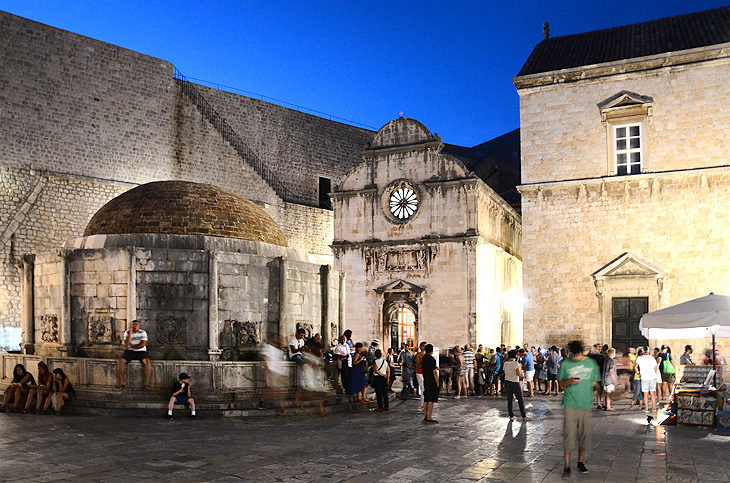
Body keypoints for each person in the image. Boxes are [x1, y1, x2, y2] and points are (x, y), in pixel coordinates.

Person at [559, 340, 600, 477]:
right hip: (570, 404)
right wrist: (569, 381)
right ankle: (566, 466)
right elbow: (560, 385)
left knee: (584, 436)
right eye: (572, 354)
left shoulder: (591, 363)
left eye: (576, 354)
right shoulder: (565, 364)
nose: (573, 357)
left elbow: (596, 382)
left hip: (585, 404)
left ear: (581, 353)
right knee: (569, 435)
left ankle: (580, 462)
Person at [117, 319, 152, 390]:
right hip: (130, 352)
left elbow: (142, 344)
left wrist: (131, 347)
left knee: (147, 362)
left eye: (136, 325)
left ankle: (147, 383)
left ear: (139, 326)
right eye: (133, 325)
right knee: (121, 361)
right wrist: (130, 333)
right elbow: (126, 344)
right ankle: (122, 382)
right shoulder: (127, 332)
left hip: (141, 352)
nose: (134, 326)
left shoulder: (143, 332)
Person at [258, 334, 288, 413]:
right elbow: (264, 358)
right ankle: (280, 407)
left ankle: (262, 402)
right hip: (272, 371)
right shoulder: (267, 347)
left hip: (278, 372)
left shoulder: (278, 350)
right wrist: (268, 370)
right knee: (275, 390)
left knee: (273, 389)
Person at [504, 350, 530, 421]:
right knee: (520, 399)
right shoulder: (515, 363)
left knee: (510, 399)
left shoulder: (505, 363)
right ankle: (524, 415)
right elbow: (518, 374)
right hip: (515, 382)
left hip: (507, 381)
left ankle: (511, 415)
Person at [636, 345, 659, 411]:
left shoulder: (639, 358)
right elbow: (656, 368)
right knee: (653, 393)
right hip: (652, 377)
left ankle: (646, 408)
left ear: (642, 351)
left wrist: (638, 373)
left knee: (646, 394)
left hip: (644, 377)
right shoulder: (652, 358)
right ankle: (654, 407)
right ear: (649, 351)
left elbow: (635, 367)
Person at [421, 344, 439, 423]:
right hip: (431, 380)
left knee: (426, 398)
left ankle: (425, 416)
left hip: (426, 379)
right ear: (432, 351)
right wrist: (437, 382)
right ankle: (429, 417)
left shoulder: (424, 358)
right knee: (431, 399)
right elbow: (434, 372)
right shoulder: (432, 359)